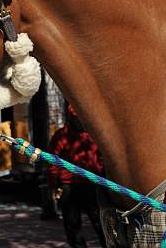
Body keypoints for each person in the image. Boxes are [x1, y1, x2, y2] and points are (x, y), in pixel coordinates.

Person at [48, 103, 107, 248]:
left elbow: (102, 159)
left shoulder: (93, 136)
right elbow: (53, 163)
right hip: (69, 187)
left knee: (100, 223)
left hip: (91, 185)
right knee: (73, 225)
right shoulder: (61, 136)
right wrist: (53, 185)